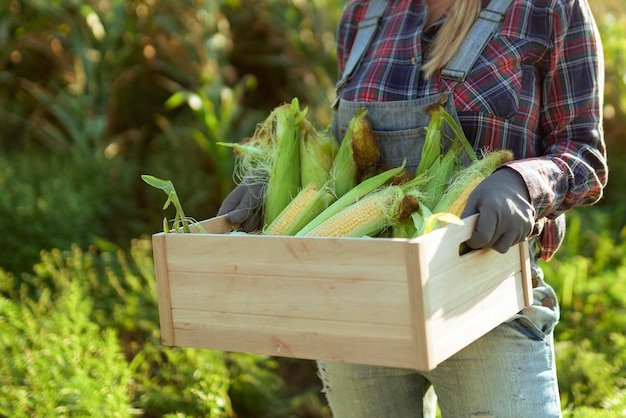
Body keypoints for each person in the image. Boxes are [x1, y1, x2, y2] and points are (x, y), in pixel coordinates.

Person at [218, 0, 608, 416]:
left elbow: (583, 152)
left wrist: (522, 183)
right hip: (357, 305)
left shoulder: (547, 8)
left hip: (485, 302)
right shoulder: (363, 15)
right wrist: (273, 179)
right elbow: (351, 150)